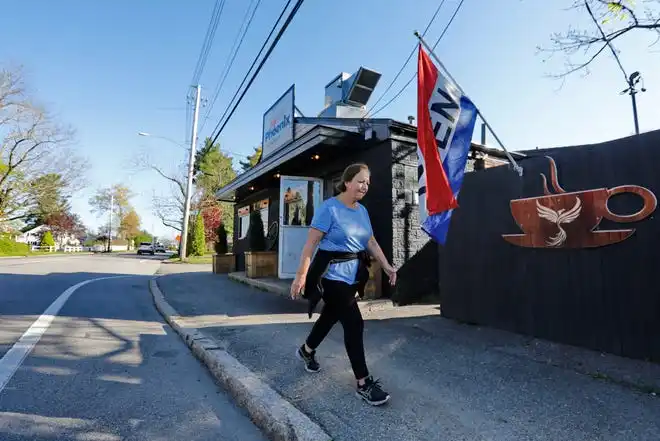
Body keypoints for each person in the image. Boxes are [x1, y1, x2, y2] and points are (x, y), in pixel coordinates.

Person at [290, 163, 397, 406]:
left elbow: (370, 241)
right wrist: (300, 275)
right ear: (347, 182)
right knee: (354, 322)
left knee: (329, 316)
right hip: (330, 275)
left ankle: (306, 351)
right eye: (360, 181)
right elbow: (310, 245)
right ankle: (363, 382)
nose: (365, 186)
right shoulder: (329, 209)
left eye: (367, 183)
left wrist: (387, 266)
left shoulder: (362, 211)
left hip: (352, 276)